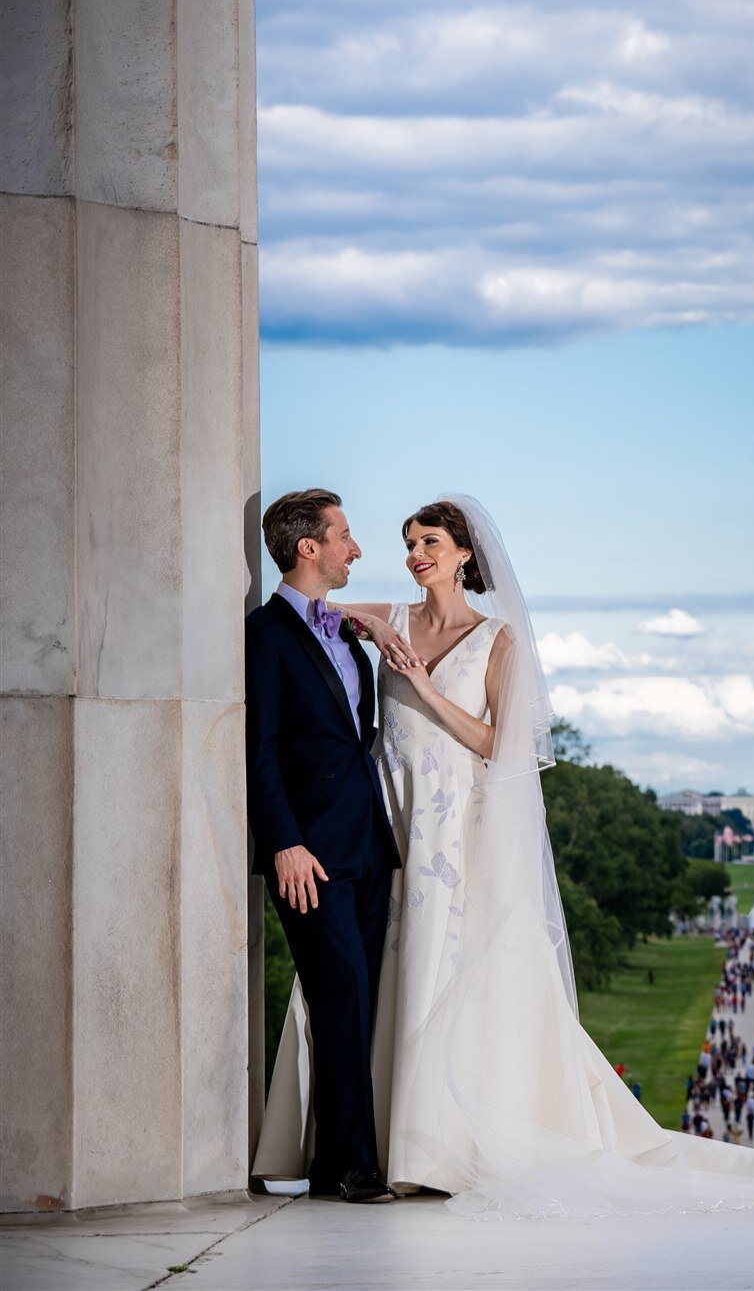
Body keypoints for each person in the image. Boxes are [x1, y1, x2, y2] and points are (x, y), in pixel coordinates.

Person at [256, 493, 754, 1219]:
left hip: (451, 832)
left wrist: (419, 684)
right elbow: (316, 634)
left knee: (433, 978)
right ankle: (363, 1148)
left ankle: (429, 1146)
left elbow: (500, 746)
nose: (414, 555)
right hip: (389, 828)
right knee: (374, 987)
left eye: (430, 544)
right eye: (406, 543)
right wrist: (373, 628)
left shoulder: (498, 639)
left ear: (466, 552)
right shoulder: (377, 620)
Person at [245, 490, 400, 1204]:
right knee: (340, 998)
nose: (356, 549)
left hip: (367, 846)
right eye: (344, 535)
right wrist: (284, 844)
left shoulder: (343, 631)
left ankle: (334, 1158)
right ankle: (357, 1166)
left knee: (359, 1005)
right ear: (308, 547)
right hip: (308, 857)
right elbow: (260, 749)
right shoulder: (264, 634)